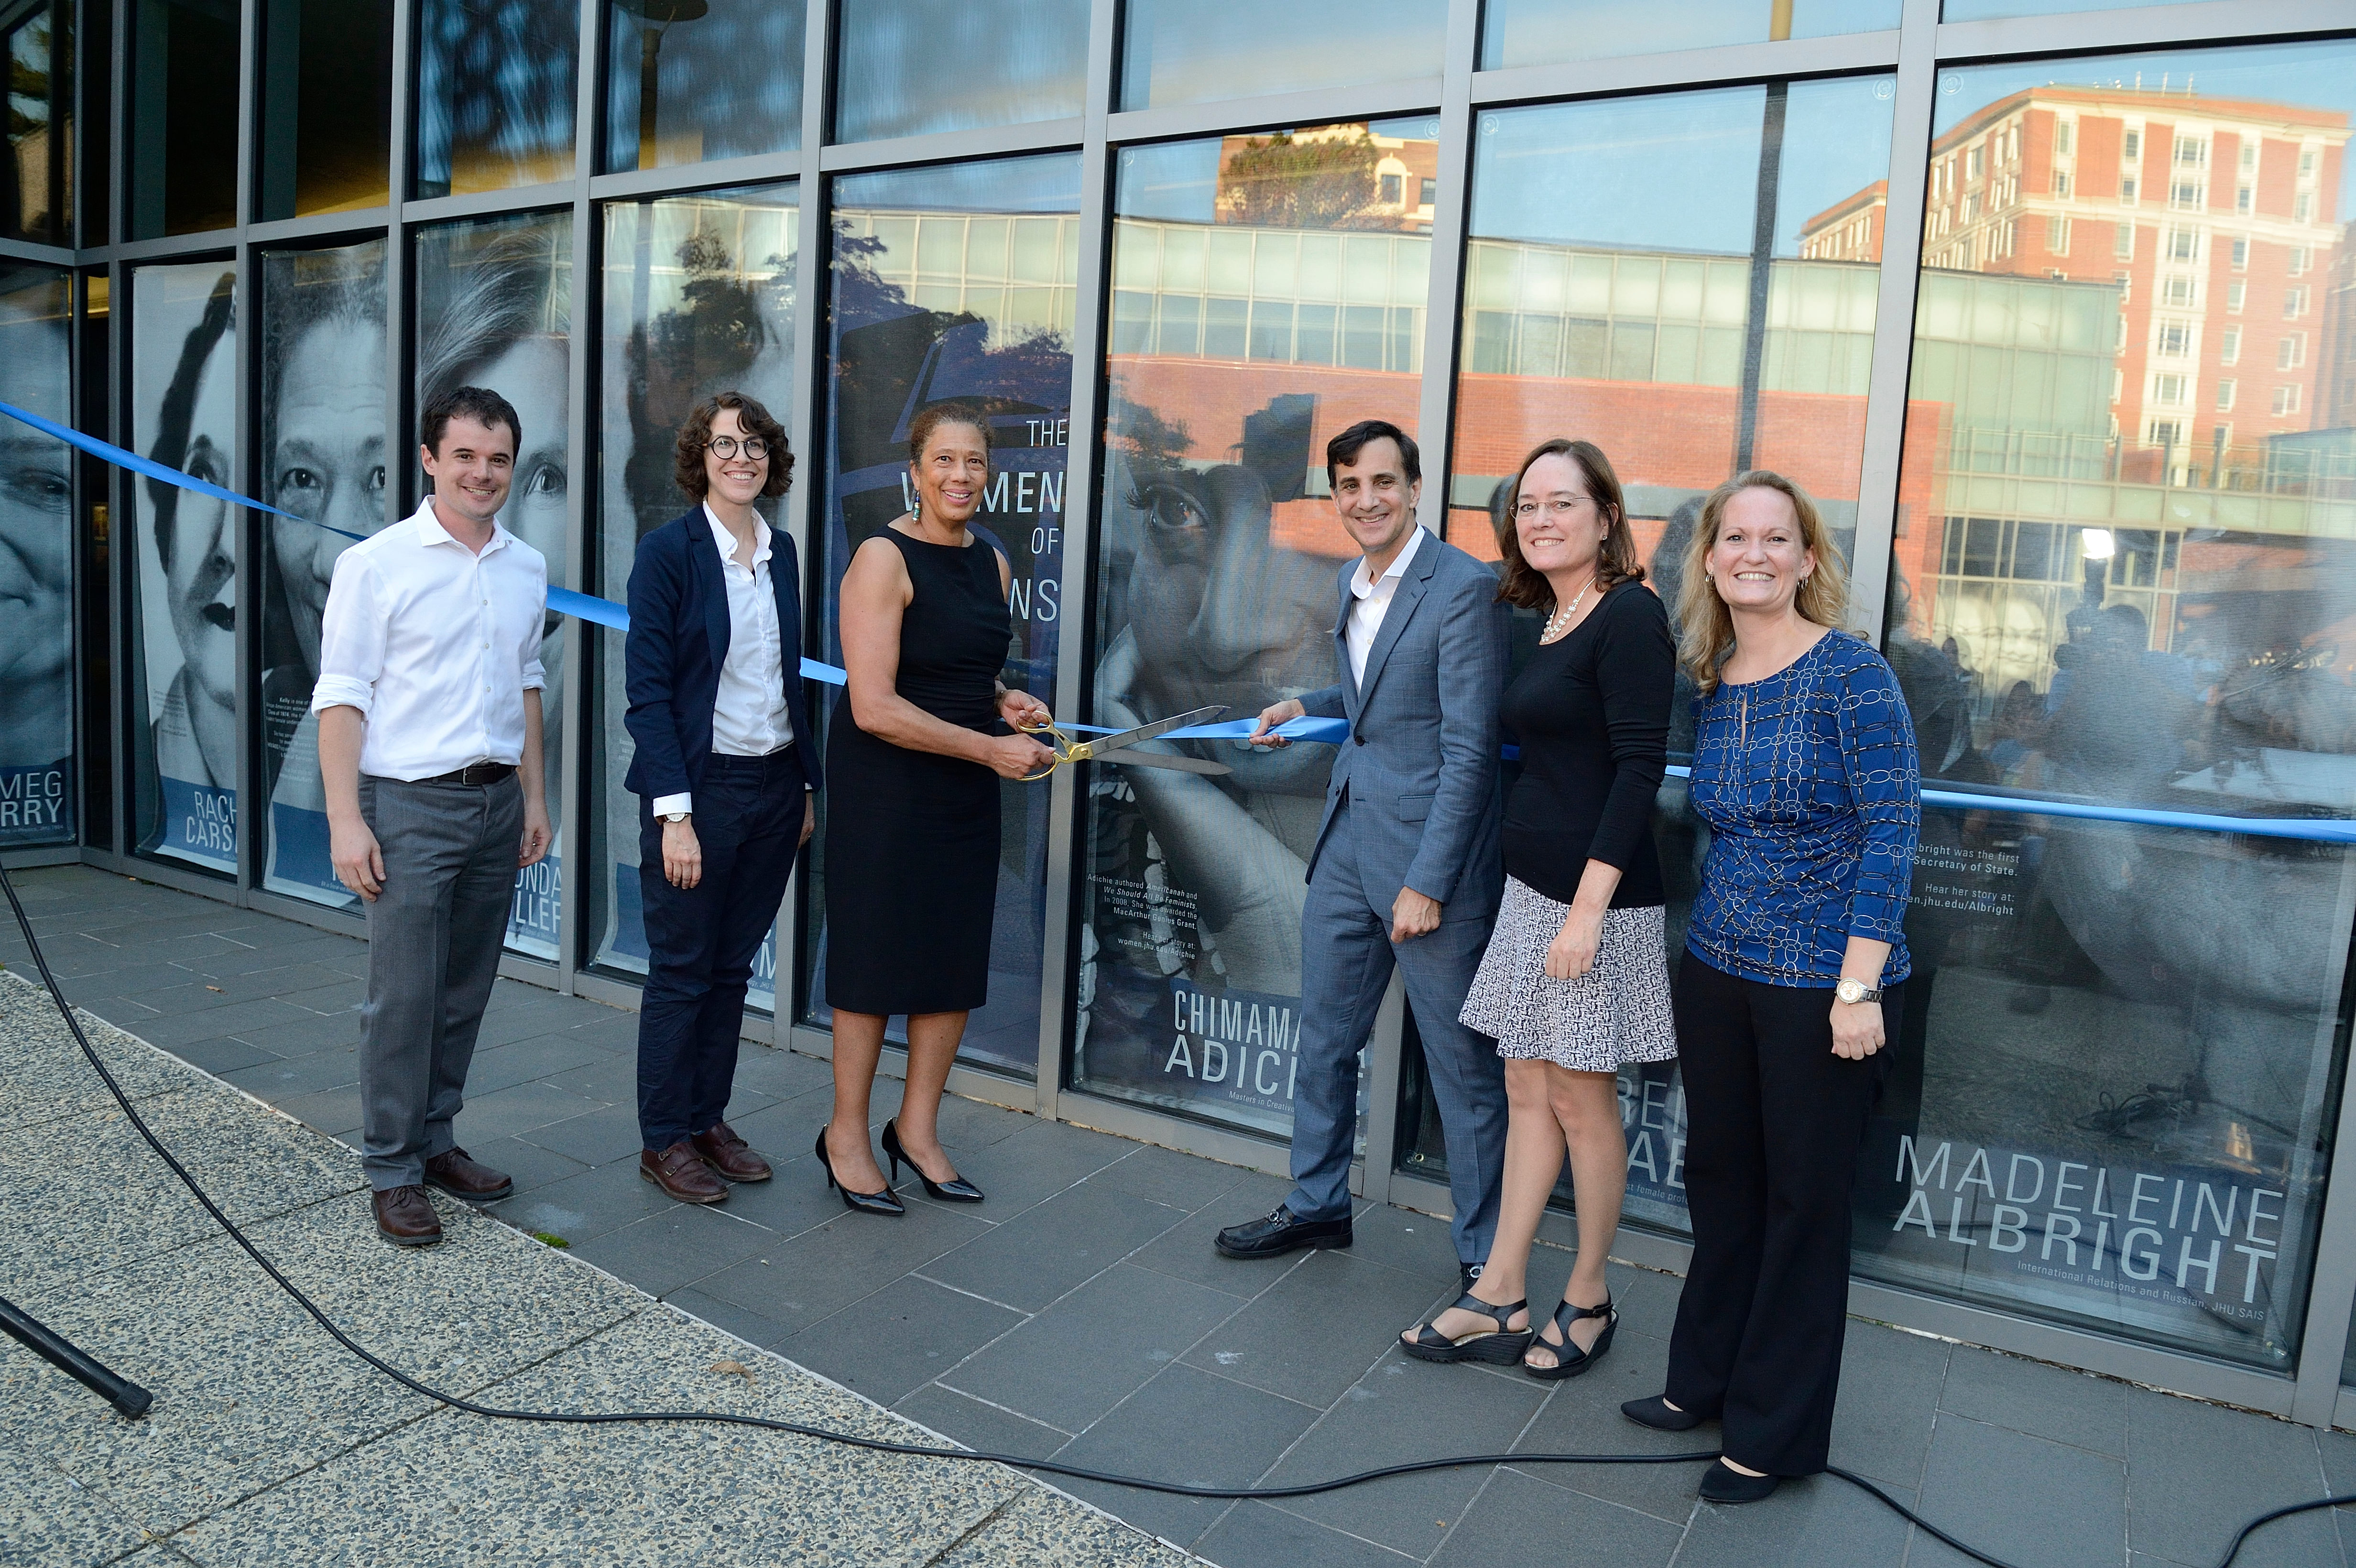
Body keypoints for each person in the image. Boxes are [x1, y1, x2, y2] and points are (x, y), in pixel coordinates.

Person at [1623, 470, 1919, 1504]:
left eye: (1775, 537)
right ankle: (1703, 1381)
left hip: (1818, 985)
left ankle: (1774, 1432)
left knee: (1802, 1206)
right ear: (1709, 558)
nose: (1754, 552)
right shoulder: (1714, 674)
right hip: (1718, 969)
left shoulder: (1852, 674)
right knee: (1721, 1181)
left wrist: (1856, 987)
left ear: (1804, 558)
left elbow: (1892, 832)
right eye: (1735, 536)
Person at [1214, 419, 1510, 1294]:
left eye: (1383, 482)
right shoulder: (1355, 579)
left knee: (1460, 1067)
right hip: (1348, 840)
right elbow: (1373, 693)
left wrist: (1430, 880)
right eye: (1349, 485)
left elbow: (1470, 749)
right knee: (1324, 1039)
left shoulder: (1462, 587)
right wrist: (1297, 704)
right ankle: (1316, 1205)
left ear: (1415, 488)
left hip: (1427, 864)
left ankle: (1485, 1256)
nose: (1367, 500)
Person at [1399, 439, 1675, 1376]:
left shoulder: (1630, 615)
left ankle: (1590, 1296)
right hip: (1531, 894)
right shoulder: (1550, 615)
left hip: (1593, 902)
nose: (1542, 518)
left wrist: (1587, 910)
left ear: (1605, 515)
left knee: (1579, 1096)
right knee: (1525, 1086)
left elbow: (1640, 768)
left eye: (1563, 502)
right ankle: (1501, 1289)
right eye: (1528, 505)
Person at [315, 385, 554, 1247]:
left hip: (495, 803)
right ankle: (391, 1169)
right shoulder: (375, 564)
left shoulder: (525, 566)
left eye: (497, 459)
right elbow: (341, 698)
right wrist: (348, 821)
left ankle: (437, 1140)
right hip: (408, 806)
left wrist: (534, 797)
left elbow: (526, 684)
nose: (482, 473)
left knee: (464, 990)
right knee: (404, 998)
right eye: (464, 456)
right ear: (429, 460)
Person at [819, 403, 1053, 1215]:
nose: (960, 476)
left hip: (958, 782)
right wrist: (991, 748)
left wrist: (1004, 700)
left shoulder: (989, 561)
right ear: (913, 472)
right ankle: (846, 1134)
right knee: (875, 961)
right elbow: (876, 704)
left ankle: (916, 1130)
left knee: (951, 960)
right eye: (944, 461)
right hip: (885, 786)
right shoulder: (883, 557)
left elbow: (956, 668)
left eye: (975, 463)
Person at [622, 392, 821, 1203]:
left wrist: (807, 784)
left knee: (733, 969)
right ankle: (663, 1138)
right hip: (699, 794)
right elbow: (649, 696)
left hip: (775, 787)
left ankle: (708, 1119)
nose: (742, 458)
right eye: (724, 445)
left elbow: (789, 682)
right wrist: (675, 815)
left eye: (756, 446)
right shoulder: (667, 553)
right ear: (699, 459)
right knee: (681, 972)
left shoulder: (784, 553)